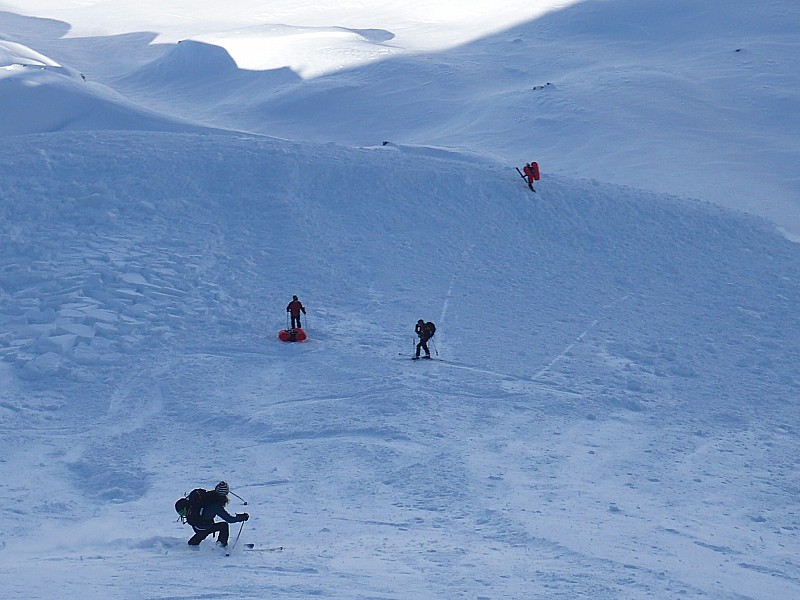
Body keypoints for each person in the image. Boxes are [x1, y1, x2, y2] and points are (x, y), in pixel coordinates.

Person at [186, 481, 249, 548]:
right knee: (223, 526)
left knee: (199, 536)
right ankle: (221, 546)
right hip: (203, 526)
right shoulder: (216, 505)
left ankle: (192, 544)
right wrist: (241, 518)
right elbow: (229, 519)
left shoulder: (208, 496)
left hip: (196, 524)